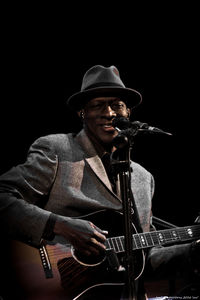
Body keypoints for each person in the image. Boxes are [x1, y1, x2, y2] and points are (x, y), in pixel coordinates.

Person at [0, 65, 199, 300]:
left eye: (117, 105)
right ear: (82, 113)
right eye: (97, 105)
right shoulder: (58, 149)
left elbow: (146, 257)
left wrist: (193, 250)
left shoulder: (144, 179)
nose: (109, 112)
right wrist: (59, 225)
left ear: (128, 114)